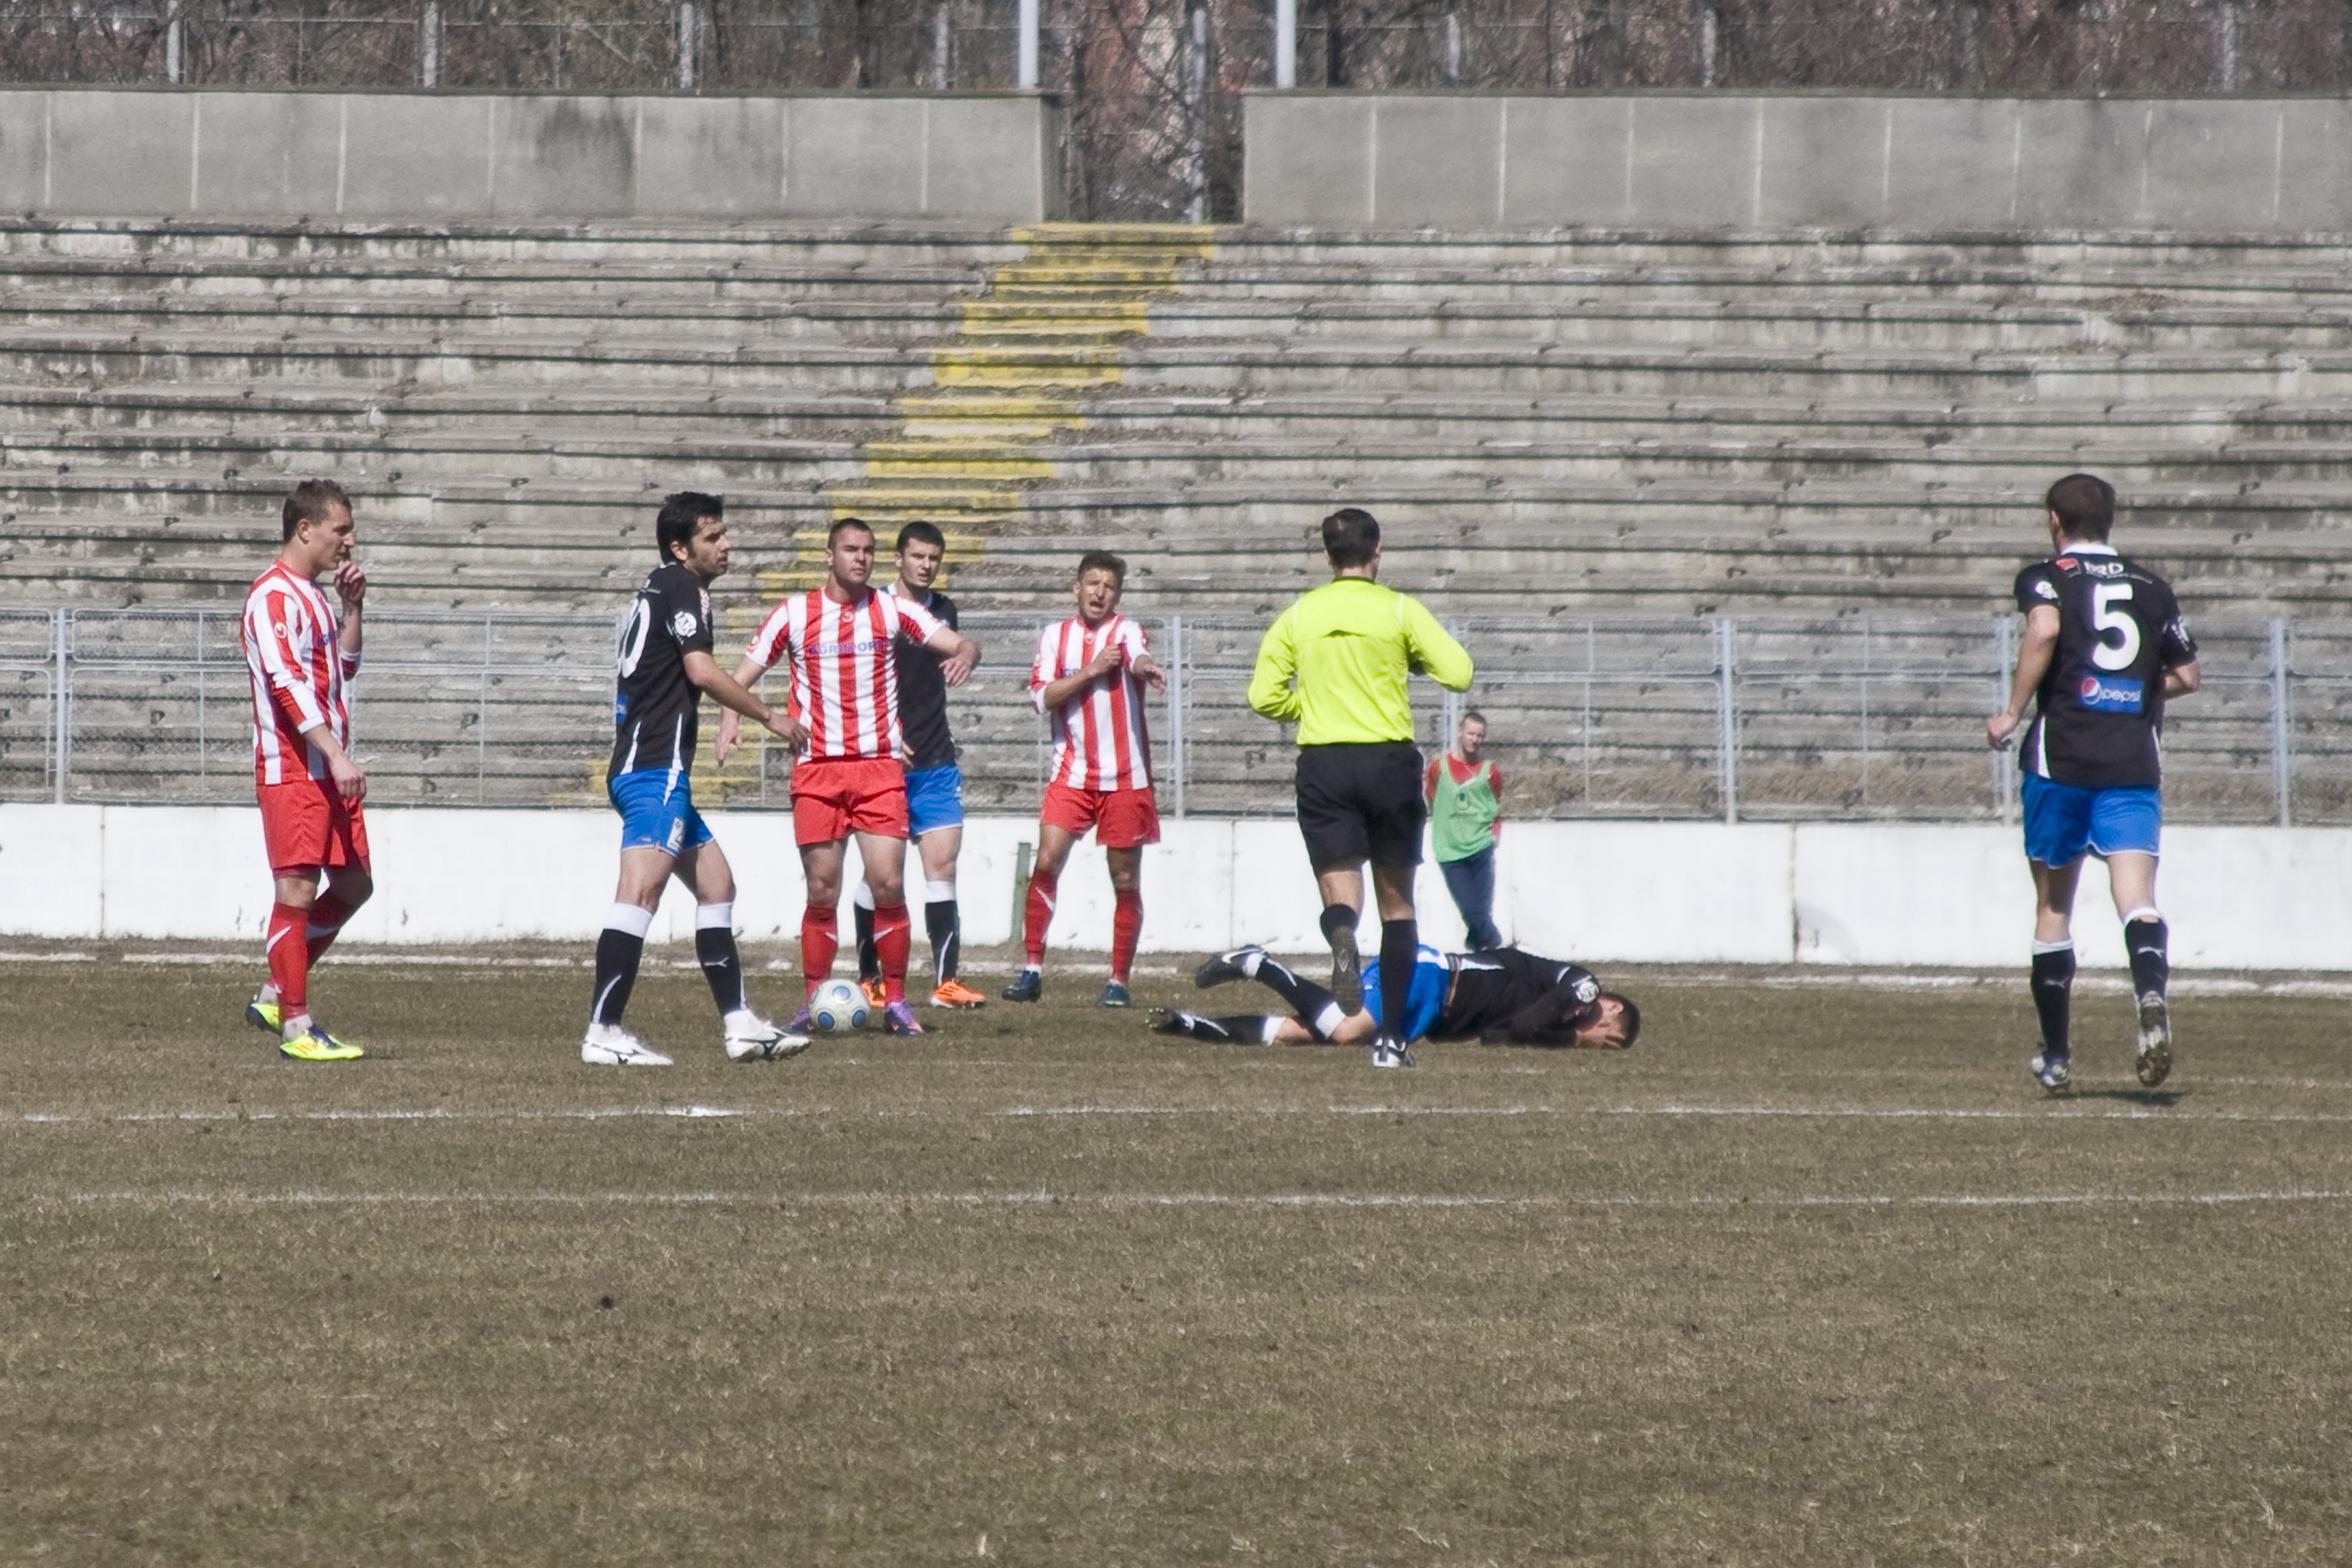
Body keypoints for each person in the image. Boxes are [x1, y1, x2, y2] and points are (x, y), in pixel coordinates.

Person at [718, 516, 978, 1035]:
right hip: (817, 770)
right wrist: (732, 717)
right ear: (829, 556)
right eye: (851, 549)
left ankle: (898, 1001)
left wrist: (966, 653)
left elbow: (958, 643)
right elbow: (739, 677)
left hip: (879, 767)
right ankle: (813, 999)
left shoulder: (892, 609)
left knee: (887, 883)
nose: (861, 558)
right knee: (822, 889)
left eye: (868, 551)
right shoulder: (793, 614)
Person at [1988, 473, 2200, 1093]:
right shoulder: (2153, 588)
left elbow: (2045, 629)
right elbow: (2187, 676)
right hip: (2133, 759)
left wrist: (2011, 712)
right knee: (2137, 898)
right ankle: (2151, 995)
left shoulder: (2047, 576)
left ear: (2056, 520)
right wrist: (2132, 689)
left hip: (2063, 760)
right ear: (2109, 521)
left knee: (2054, 906)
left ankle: (2056, 1058)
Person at [583, 491, 807, 1067]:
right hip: (654, 767)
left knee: (716, 885)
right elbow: (700, 670)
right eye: (712, 537)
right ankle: (603, 1031)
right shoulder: (686, 588)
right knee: (638, 895)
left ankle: (739, 1025)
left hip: (652, 767)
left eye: (724, 533)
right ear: (681, 548)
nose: (725, 544)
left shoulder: (662, 587)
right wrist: (769, 716)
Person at [1246, 507, 1473, 1069]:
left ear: (1327, 557)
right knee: (1398, 909)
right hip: (1388, 763)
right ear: (1378, 552)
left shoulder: (1300, 615)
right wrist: (1411, 661)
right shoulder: (1399, 609)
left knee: (1341, 896)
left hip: (1324, 762)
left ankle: (1342, 935)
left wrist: (1311, 705)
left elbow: (1263, 696)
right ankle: (1391, 1043)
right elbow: (1460, 672)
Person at [240, 479, 374, 1062]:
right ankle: (296, 1024)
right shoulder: (272, 597)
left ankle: (276, 989)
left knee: (354, 885)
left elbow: (343, 668)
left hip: (326, 767)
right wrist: (337, 754)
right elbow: (286, 685)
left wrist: (352, 610)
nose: (349, 541)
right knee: (295, 889)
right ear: (306, 530)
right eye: (341, 529)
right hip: (294, 767)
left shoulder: (315, 597)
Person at [1004, 550, 1167, 1008]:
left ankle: (1118, 981)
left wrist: (1145, 667)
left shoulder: (1126, 631)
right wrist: (1092, 670)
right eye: (1092, 583)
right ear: (1076, 587)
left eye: (1109, 586)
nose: (1099, 592)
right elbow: (1041, 698)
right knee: (1047, 861)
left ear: (1117, 594)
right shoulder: (1055, 637)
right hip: (1072, 773)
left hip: (1126, 777)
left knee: (1124, 878)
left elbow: (1137, 655)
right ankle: (1032, 969)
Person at [849, 522, 987, 1011]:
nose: (927, 565)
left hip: (935, 761)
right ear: (899, 559)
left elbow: (964, 644)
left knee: (942, 869)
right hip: (884, 762)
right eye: (918, 556)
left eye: (934, 557)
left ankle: (946, 982)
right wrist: (883, 736)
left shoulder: (943, 610)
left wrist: (968, 654)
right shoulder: (874, 608)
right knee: (879, 877)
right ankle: (870, 977)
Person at [1155, 942, 1638, 1050]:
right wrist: (1573, 1041)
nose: (1598, 1038)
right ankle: (1262, 965)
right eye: (1608, 1034)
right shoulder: (1582, 986)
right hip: (1431, 977)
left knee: (1306, 1035)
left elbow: (1498, 1037)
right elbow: (1525, 1028)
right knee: (1344, 1031)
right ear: (1611, 1007)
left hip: (1427, 1012)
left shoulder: (1556, 1012)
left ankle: (1193, 1025)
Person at [1426, 710, 1504, 951]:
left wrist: (1493, 832)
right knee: (1470, 908)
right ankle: (1495, 943)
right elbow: (1432, 795)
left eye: (1480, 735)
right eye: (1471, 733)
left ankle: (1479, 953)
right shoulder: (1439, 767)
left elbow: (1494, 799)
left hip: (1480, 845)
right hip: (1450, 850)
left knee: (1480, 910)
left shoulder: (1490, 771)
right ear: (1460, 732)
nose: (1475, 739)